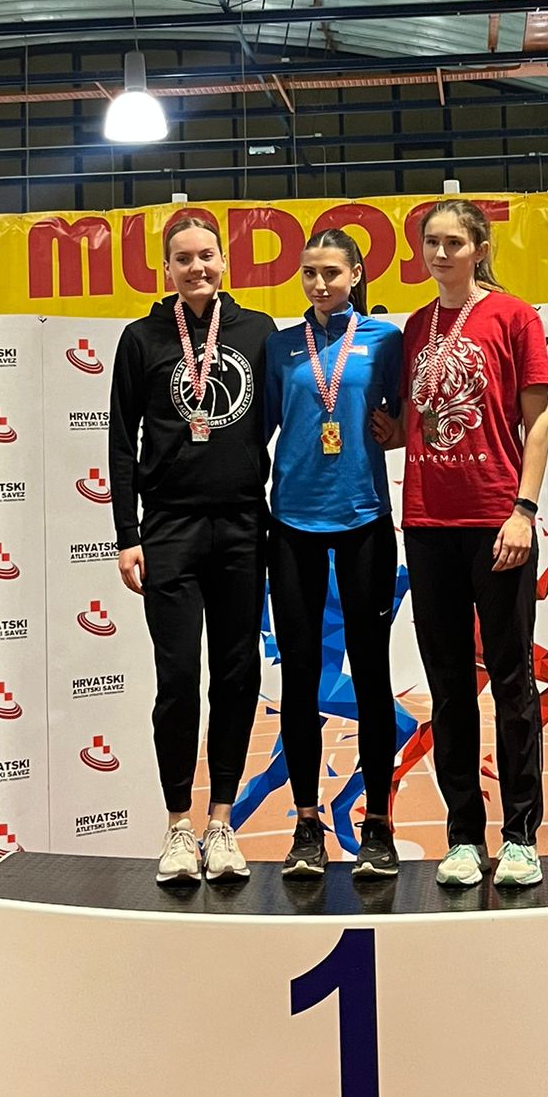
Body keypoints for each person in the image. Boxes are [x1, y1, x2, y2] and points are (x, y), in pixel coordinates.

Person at [373, 199, 548, 889]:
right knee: (448, 691)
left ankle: (521, 837)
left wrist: (523, 511)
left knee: (511, 681)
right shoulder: (416, 326)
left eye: (453, 242)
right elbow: (414, 422)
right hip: (427, 525)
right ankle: (463, 838)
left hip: (496, 523)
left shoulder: (514, 316)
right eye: (431, 242)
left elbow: (537, 423)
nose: (440, 253)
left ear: (479, 248)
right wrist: (382, 432)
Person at [109, 214, 276, 885]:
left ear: (223, 260)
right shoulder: (140, 338)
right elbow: (121, 441)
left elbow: (289, 417)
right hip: (169, 528)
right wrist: (127, 535)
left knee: (237, 677)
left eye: (207, 255)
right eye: (183, 259)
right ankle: (179, 826)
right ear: (167, 269)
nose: (197, 267)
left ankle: (222, 823)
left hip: (243, 525)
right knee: (178, 679)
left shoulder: (258, 332)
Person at [264, 229, 405, 881]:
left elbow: (409, 421)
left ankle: (378, 826)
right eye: (309, 273)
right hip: (292, 526)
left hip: (364, 521)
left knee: (372, 675)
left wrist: (395, 431)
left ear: (355, 275)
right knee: (299, 679)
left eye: (331, 273)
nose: (319, 284)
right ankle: (305, 827)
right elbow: (255, 429)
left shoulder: (385, 340)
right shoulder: (279, 346)